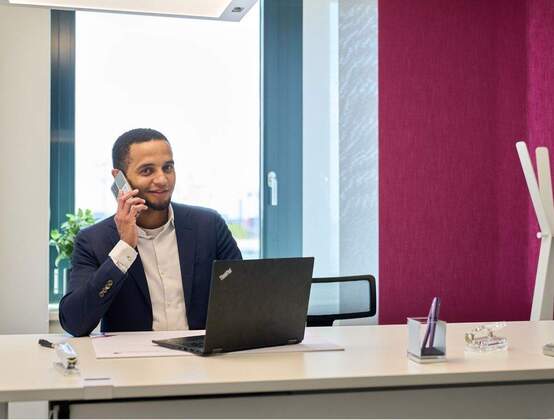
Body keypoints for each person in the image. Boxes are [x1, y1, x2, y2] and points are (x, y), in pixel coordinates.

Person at [59, 128, 242, 337]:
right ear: (119, 179)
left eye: (168, 168)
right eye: (147, 171)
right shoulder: (93, 240)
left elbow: (244, 296)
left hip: (201, 354)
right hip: (133, 357)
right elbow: (74, 322)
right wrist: (124, 248)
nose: (162, 180)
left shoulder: (209, 225)